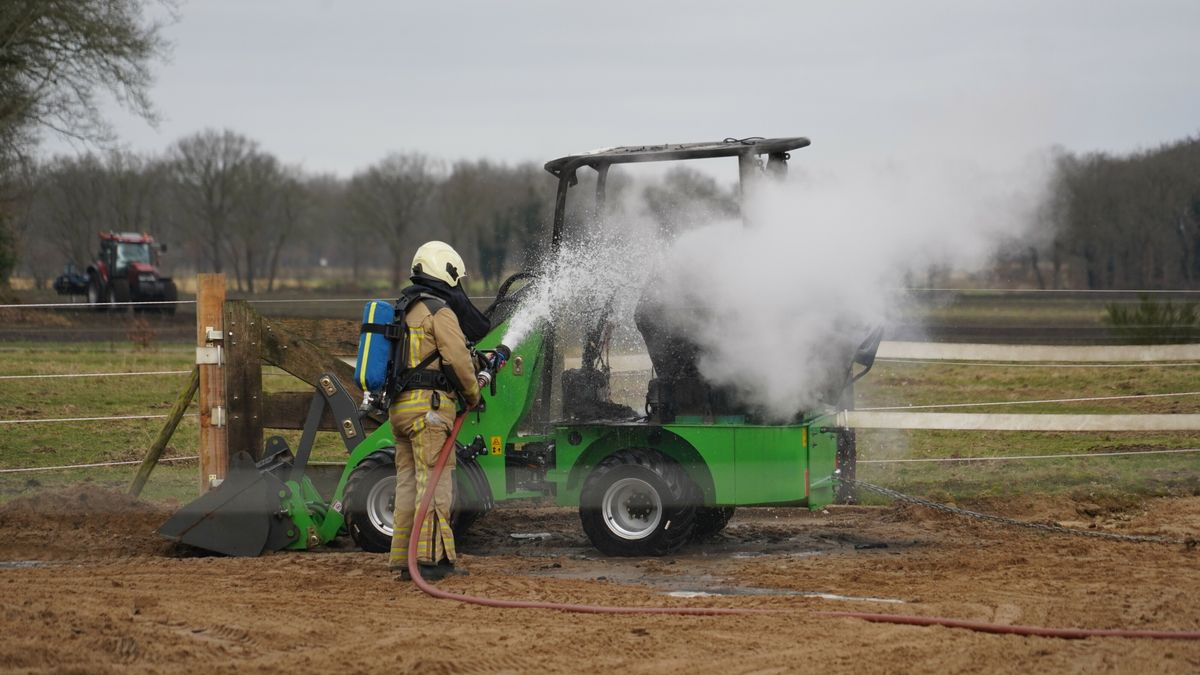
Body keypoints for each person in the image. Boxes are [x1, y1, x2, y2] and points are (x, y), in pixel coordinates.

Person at [389, 241, 490, 580]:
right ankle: (431, 562)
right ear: (445, 272)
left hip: (401, 410)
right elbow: (458, 360)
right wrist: (473, 393)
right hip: (429, 412)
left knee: (407, 485)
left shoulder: (403, 309)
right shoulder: (439, 311)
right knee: (434, 485)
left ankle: (405, 561)